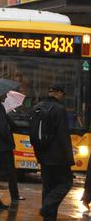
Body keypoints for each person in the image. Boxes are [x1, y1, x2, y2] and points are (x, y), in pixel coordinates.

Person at [33, 83, 73, 221]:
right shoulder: (59, 109)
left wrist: (38, 155)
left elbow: (32, 134)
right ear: (60, 93)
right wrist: (69, 158)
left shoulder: (37, 107)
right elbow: (63, 136)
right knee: (66, 183)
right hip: (58, 157)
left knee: (48, 187)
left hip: (43, 156)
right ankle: (47, 208)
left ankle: (49, 218)